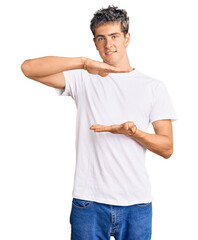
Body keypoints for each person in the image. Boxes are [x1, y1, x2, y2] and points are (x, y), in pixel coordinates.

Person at [21, 5, 177, 240]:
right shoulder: (84, 78)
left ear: (127, 38)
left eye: (114, 36)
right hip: (89, 203)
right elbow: (28, 68)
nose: (108, 44)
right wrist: (83, 63)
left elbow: (167, 148)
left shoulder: (153, 87)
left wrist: (132, 132)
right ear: (94, 42)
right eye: (101, 38)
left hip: (137, 205)